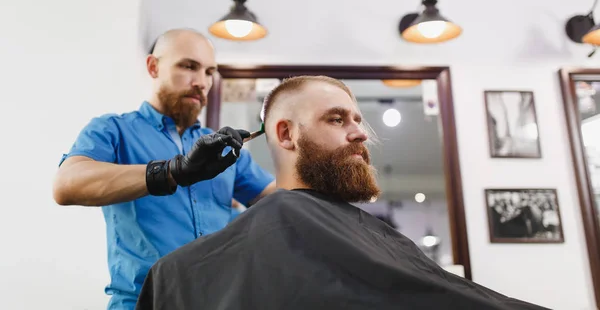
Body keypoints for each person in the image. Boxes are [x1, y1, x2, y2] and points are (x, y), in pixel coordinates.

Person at [135, 75, 549, 310]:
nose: (359, 133)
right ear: (286, 134)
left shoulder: (350, 230)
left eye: (358, 120)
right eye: (336, 119)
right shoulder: (189, 269)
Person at [52, 28, 276, 309]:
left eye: (209, 72)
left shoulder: (223, 149)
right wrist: (173, 171)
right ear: (153, 66)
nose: (202, 82)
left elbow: (279, 199)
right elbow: (67, 184)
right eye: (188, 66)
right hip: (144, 302)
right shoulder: (113, 130)